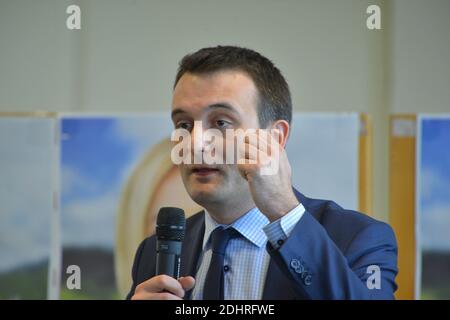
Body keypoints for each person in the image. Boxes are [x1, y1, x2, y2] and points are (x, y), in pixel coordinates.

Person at [127, 46, 398, 300]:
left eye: (221, 122)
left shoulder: (358, 239)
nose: (195, 142)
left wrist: (284, 213)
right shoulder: (152, 252)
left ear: (275, 137)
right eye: (184, 124)